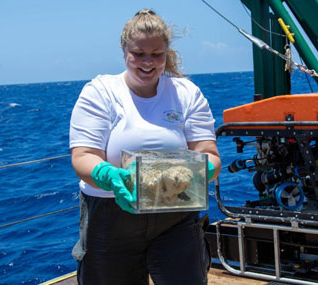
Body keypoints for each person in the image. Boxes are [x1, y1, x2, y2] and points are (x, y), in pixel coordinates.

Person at [69, 8, 221, 285]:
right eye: (139, 54)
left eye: (156, 54)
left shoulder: (187, 93)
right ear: (124, 49)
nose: (147, 62)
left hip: (176, 216)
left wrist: (201, 171)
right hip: (111, 216)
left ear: (167, 53)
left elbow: (210, 154)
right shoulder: (100, 91)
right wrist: (108, 176)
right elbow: (83, 156)